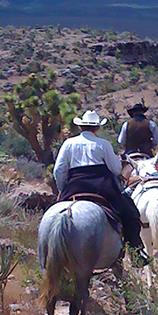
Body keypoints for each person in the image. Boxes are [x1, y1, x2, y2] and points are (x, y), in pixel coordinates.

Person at [53, 109, 148, 264]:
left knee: (55, 213)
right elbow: (116, 169)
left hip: (75, 185)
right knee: (130, 213)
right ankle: (136, 253)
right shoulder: (103, 144)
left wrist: (63, 188)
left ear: (81, 127)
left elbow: (58, 170)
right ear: (97, 128)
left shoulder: (68, 143)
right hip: (102, 186)